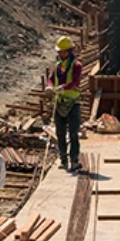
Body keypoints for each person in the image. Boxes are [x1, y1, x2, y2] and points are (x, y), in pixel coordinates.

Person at [46, 35, 84, 172]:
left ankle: (74, 160)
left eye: (63, 51)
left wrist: (64, 87)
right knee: (60, 133)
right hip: (59, 103)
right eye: (59, 52)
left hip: (73, 103)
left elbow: (75, 82)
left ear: (69, 51)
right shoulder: (57, 66)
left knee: (73, 133)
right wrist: (49, 86)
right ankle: (63, 159)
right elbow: (50, 79)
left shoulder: (76, 65)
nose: (61, 54)